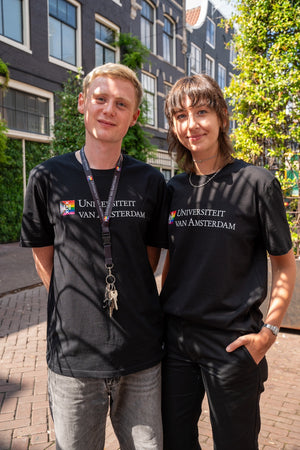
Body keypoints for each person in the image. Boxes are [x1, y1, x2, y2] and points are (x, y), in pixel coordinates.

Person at [20, 63, 169, 450]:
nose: (109, 110)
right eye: (100, 99)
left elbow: (148, 259)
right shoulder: (46, 177)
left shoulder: (151, 181)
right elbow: (43, 257)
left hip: (141, 355)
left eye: (121, 104)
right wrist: (76, 301)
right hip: (73, 356)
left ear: (135, 117)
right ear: (83, 104)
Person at [160, 74, 296, 450]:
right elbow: (174, 261)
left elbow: (284, 265)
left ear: (221, 116)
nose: (191, 125)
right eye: (180, 116)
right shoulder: (173, 190)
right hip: (176, 342)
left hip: (233, 343)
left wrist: (269, 333)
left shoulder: (257, 183)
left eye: (201, 112)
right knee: (175, 441)